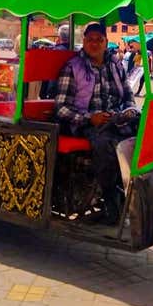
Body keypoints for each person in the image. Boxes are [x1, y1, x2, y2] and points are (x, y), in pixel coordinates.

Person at [55, 22, 139, 225]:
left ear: (106, 42)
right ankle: (111, 200)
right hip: (86, 125)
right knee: (107, 145)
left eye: (99, 40)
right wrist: (88, 118)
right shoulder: (73, 67)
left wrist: (129, 110)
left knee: (144, 133)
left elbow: (128, 94)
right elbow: (61, 108)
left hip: (116, 120)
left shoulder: (115, 64)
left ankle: (137, 194)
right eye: (90, 40)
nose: (94, 44)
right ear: (83, 42)